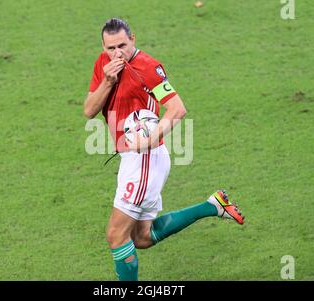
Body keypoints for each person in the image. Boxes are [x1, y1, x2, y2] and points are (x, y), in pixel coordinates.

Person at [84, 18, 245, 281]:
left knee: (116, 235)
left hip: (145, 158)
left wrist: (150, 140)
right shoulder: (104, 65)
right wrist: (107, 81)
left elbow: (177, 108)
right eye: (110, 48)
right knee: (142, 238)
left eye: (122, 46)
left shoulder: (149, 68)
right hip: (131, 157)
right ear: (103, 46)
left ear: (133, 39)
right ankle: (213, 206)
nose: (117, 53)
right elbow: (89, 110)